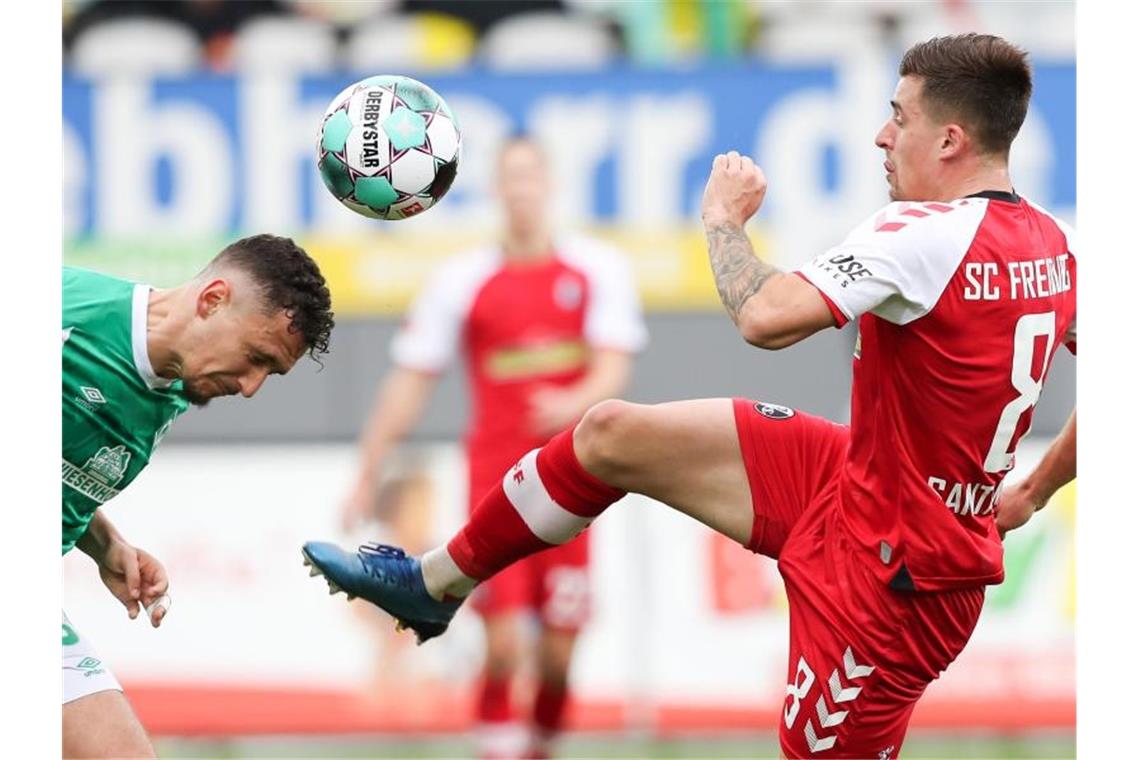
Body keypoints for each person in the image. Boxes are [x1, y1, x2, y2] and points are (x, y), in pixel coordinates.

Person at [303, 33, 1076, 758]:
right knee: (609, 436)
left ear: (949, 140)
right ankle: (433, 587)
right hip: (853, 483)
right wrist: (1035, 492)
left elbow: (765, 319)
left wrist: (723, 220)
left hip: (895, 582)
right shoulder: (1057, 245)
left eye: (898, 116)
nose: (881, 135)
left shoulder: (920, 232)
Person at [337, 135, 646, 759]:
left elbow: (613, 368)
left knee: (558, 657)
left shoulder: (597, 269)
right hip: (496, 484)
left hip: (577, 486)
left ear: (550, 185)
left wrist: (570, 403)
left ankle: (540, 748)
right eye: (511, 178)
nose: (522, 190)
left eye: (532, 176)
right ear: (496, 190)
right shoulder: (462, 280)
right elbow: (409, 379)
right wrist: (366, 472)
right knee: (504, 645)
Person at [64, 234, 334, 758]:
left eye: (270, 373)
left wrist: (106, 544)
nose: (252, 386)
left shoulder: (173, 390)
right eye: (255, 357)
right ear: (212, 300)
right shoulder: (66, 306)